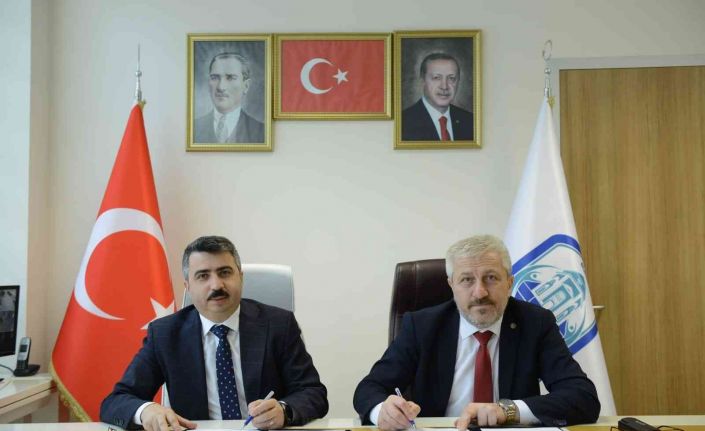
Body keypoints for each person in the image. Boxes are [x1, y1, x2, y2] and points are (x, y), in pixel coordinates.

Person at [353, 235, 600, 430]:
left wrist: (508, 410)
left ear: (510, 282)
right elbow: (369, 389)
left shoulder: (535, 323)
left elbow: (583, 397)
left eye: (491, 278)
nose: (480, 292)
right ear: (451, 285)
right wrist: (382, 411)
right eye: (467, 280)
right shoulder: (422, 326)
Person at [101, 236, 327, 431]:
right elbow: (116, 401)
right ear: (188, 286)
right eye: (203, 276)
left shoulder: (278, 324)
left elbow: (313, 393)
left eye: (224, 272)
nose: (216, 285)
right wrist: (146, 410)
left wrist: (284, 411)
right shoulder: (165, 334)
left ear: (240, 277)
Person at [193, 53, 265, 144]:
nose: (221, 87)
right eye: (214, 78)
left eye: (230, 78)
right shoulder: (193, 127)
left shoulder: (262, 132)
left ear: (246, 86)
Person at [401, 52, 474, 141]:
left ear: (458, 81)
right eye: (436, 78)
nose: (444, 86)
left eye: (451, 78)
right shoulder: (403, 122)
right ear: (422, 81)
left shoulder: (470, 121)